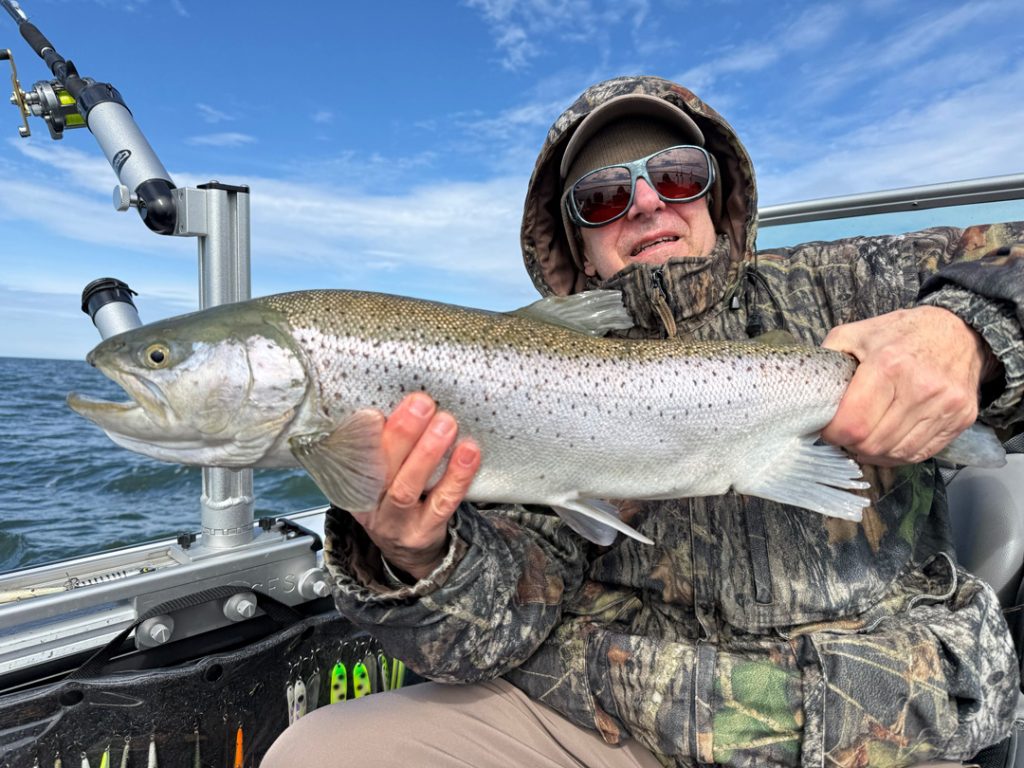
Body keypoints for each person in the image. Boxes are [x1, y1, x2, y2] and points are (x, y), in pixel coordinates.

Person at [261, 76, 1024, 767]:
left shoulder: (857, 281)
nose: (650, 204)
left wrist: (968, 332)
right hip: (620, 721)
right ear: (580, 248)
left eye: (678, 176)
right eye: (603, 198)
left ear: (717, 199)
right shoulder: (524, 379)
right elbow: (485, 638)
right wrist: (415, 559)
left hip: (889, 720)